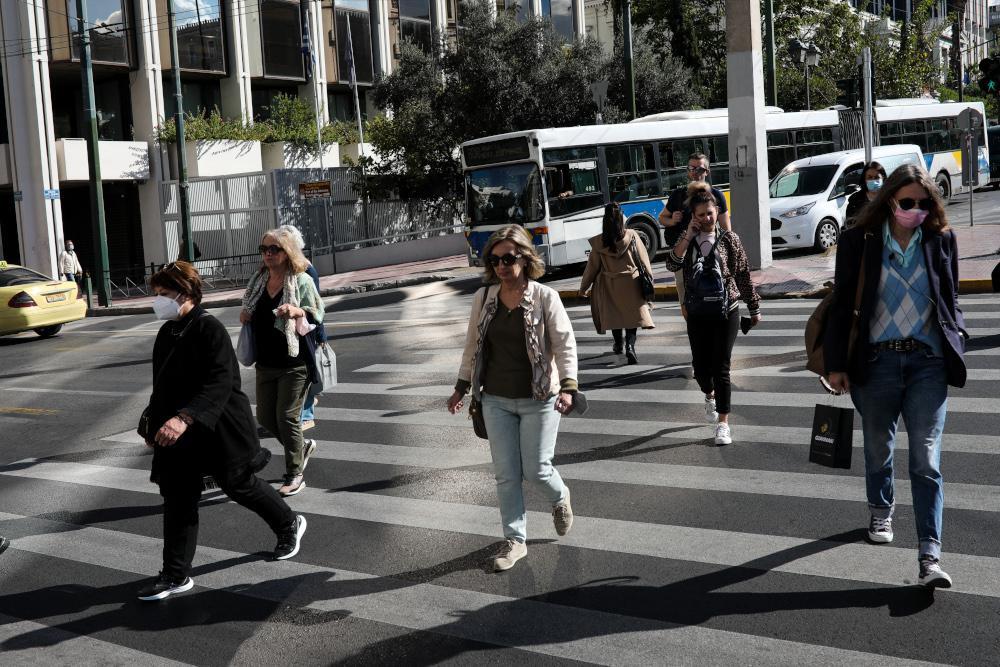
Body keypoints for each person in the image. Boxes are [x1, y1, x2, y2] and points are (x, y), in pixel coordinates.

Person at [824, 164, 966, 589]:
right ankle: (881, 508)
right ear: (889, 200)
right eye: (907, 203)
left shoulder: (941, 239)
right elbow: (842, 301)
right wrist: (837, 363)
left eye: (924, 204)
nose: (916, 210)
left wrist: (956, 330)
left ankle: (929, 556)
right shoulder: (858, 241)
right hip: (876, 363)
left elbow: (951, 297)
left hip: (928, 363)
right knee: (877, 448)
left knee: (925, 459)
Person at [138, 261, 306, 602]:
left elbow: (220, 383)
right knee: (178, 497)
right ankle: (175, 575)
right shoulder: (167, 330)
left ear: (185, 294)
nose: (158, 301)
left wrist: (183, 418)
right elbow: (163, 386)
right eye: (157, 295)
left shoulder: (208, 328)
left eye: (164, 294)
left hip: (219, 426)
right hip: (180, 430)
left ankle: (289, 523)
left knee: (239, 485)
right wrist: (154, 422)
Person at [447, 225, 579, 572]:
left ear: (524, 258)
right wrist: (461, 387)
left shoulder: (544, 297)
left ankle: (559, 496)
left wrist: (568, 386)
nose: (502, 266)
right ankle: (515, 541)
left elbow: (564, 344)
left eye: (508, 258)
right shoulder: (484, 298)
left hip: (539, 397)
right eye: (495, 259)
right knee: (506, 476)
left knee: (537, 470)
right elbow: (473, 347)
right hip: (495, 400)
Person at [665, 183, 761, 446]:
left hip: (726, 309)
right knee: (701, 369)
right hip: (697, 311)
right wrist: (686, 237)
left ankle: (723, 424)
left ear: (717, 211)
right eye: (700, 215)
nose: (707, 218)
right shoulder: (687, 240)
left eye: (710, 213)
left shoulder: (730, 239)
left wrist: (753, 307)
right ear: (693, 217)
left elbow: (743, 274)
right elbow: (671, 264)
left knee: (722, 367)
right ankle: (709, 395)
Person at [240, 228, 324, 497]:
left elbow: (317, 313)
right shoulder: (258, 279)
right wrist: (245, 313)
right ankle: (300, 447)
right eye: (264, 249)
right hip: (265, 361)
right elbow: (251, 305)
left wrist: (296, 310)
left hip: (294, 362)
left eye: (273, 249)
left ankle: (294, 474)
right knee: (265, 416)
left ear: (287, 252)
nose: (267, 254)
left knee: (287, 417)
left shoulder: (300, 280)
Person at [579, 203, 655, 364]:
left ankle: (618, 344)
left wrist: (584, 287)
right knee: (632, 317)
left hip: (609, 284)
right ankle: (630, 347)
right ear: (621, 218)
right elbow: (643, 260)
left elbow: (591, 268)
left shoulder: (599, 243)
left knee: (615, 316)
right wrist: (649, 280)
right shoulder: (632, 235)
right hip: (631, 283)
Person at [658, 153, 730, 318]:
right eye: (691, 168)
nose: (695, 172)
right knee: (686, 300)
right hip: (684, 255)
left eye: (700, 168)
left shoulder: (717, 196)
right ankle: (693, 326)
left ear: (707, 171)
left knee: (716, 291)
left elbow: (727, 229)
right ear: (688, 171)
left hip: (710, 253)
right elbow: (662, 218)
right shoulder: (678, 195)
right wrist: (672, 220)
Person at [279, 225, 327, 431]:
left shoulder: (306, 270)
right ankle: (306, 405)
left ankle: (307, 415)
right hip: (290, 331)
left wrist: (321, 335)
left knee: (305, 373)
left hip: (306, 330)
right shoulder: (286, 268)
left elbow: (315, 307)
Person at [846, 161, 888, 226]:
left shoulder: (890, 198)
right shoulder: (855, 200)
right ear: (864, 180)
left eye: (877, 177)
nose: (873, 180)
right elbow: (850, 225)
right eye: (870, 177)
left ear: (883, 178)